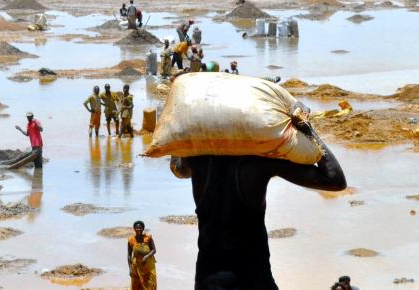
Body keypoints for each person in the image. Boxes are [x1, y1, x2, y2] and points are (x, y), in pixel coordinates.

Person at [170, 106, 347, 290]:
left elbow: (176, 166)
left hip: (208, 282)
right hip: (254, 281)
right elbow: (335, 181)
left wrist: (178, 129)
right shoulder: (260, 162)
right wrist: (307, 128)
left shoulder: (195, 160)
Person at [127, 220, 157, 290]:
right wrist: (130, 269)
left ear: (143, 228)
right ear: (134, 229)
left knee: (151, 283)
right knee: (137, 284)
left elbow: (154, 250)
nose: (139, 229)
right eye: (137, 228)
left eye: (140, 228)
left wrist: (146, 256)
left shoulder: (148, 238)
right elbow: (129, 256)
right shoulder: (131, 240)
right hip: (137, 266)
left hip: (149, 265)